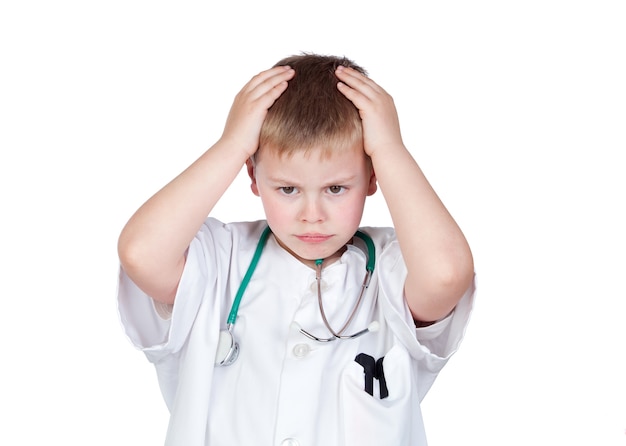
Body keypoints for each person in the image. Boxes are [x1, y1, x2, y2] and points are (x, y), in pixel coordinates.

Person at [117, 53, 476, 446]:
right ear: (253, 177)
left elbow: (446, 274)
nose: (312, 215)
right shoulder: (220, 259)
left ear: (374, 177)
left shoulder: (395, 272)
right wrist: (233, 143)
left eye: (336, 189)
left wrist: (390, 148)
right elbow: (140, 252)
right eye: (288, 189)